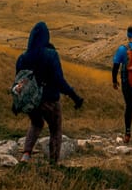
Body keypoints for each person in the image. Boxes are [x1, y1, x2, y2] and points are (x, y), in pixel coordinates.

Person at [15, 22, 84, 164]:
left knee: (36, 124)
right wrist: (74, 97)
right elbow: (59, 80)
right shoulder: (51, 55)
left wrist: (16, 103)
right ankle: (53, 164)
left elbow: (19, 82)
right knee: (55, 130)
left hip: (31, 102)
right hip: (50, 101)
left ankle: (26, 154)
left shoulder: (22, 58)